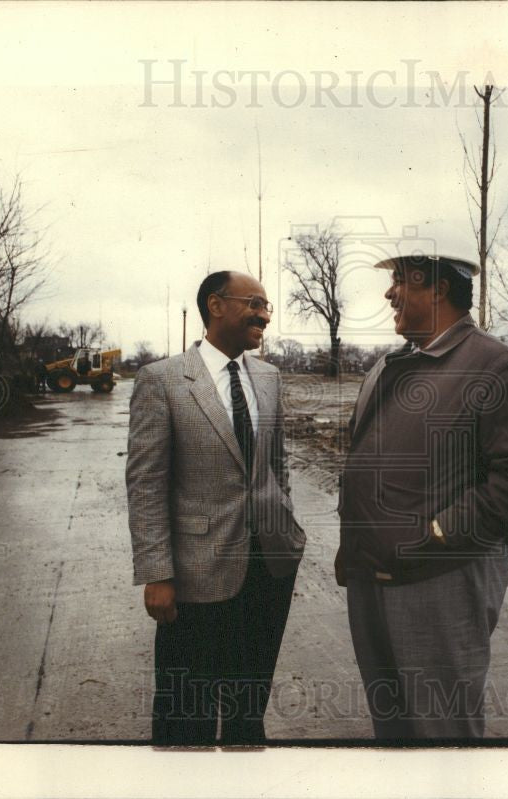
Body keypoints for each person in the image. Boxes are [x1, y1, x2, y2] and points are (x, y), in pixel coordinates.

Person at [335, 254, 508, 740]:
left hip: (440, 581)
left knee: (442, 734)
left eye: (399, 280)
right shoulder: (388, 366)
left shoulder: (498, 368)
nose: (389, 293)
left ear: (436, 289)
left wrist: (437, 533)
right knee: (393, 734)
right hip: (371, 579)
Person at [126, 270, 306, 745]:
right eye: (254, 304)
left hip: (269, 569)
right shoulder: (161, 380)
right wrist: (157, 573)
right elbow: (146, 484)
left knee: (249, 707)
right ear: (215, 305)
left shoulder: (268, 379)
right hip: (195, 574)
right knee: (188, 711)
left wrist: (285, 526)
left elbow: (276, 465)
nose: (264, 316)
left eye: (267, 307)